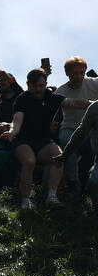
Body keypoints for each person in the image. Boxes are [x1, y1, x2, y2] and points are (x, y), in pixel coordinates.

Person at [0, 68, 65, 210]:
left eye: (41, 86)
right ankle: (25, 201)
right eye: (34, 86)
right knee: (29, 161)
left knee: (58, 156)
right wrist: (12, 132)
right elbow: (17, 121)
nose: (38, 89)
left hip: (43, 142)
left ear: (46, 84)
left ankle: (51, 196)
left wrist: (92, 103)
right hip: (23, 141)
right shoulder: (22, 99)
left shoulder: (51, 96)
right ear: (28, 84)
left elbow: (74, 103)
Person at [55, 56, 98, 191]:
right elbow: (78, 104)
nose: (79, 76)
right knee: (68, 142)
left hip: (91, 129)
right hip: (70, 128)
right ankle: (74, 183)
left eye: (82, 72)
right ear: (67, 73)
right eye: (75, 73)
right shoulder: (60, 92)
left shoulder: (93, 83)